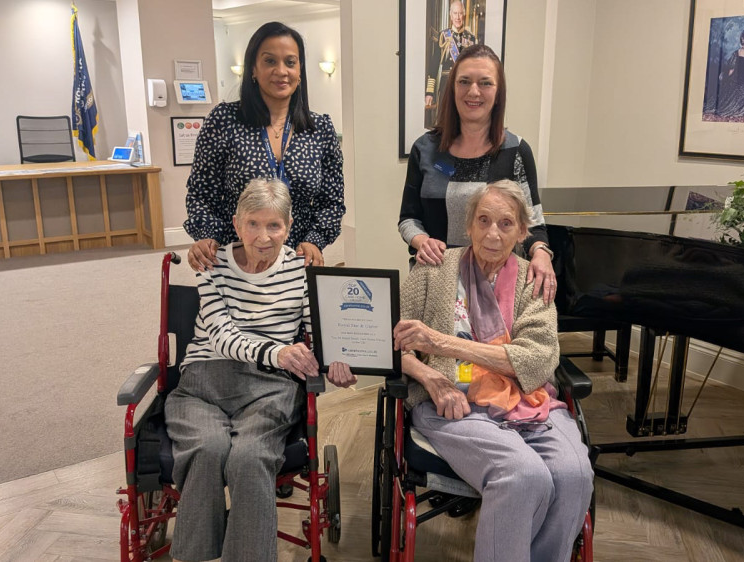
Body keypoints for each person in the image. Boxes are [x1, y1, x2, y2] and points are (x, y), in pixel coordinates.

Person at [393, 180, 594, 562]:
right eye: (483, 220)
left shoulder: (534, 281)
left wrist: (441, 343)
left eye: (505, 224)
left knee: (574, 476)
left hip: (529, 403)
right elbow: (392, 342)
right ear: (467, 226)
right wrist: (430, 376)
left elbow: (536, 360)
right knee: (523, 474)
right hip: (453, 404)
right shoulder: (433, 269)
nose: (492, 233)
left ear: (522, 232)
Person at [166, 178, 356, 562]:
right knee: (206, 448)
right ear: (236, 224)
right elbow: (221, 335)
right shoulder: (212, 264)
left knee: (250, 457)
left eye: (275, 225)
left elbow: (316, 329)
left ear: (289, 227)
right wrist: (279, 353)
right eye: (253, 223)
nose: (264, 236)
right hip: (204, 379)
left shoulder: (300, 269)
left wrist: (337, 356)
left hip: (269, 389)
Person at [401, 44, 559, 304]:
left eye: (485, 83)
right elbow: (408, 219)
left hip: (499, 288)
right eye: (464, 81)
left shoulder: (516, 150)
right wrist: (422, 241)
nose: (473, 91)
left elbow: (533, 222)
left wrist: (541, 252)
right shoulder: (425, 149)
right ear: (452, 89)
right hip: (438, 282)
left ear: (498, 93)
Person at [184, 21, 344, 272]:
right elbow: (202, 193)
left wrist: (315, 240)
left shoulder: (320, 129)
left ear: (300, 71)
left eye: (290, 62)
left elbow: (332, 201)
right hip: (237, 260)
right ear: (253, 70)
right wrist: (207, 236)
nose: (281, 71)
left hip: (297, 261)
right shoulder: (224, 120)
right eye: (270, 61)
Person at [425, 0, 478, 128]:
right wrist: (430, 92)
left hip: (465, 85)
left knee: (462, 122)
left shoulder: (471, 38)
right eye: (455, 13)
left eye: (460, 13)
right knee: (444, 122)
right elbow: (434, 65)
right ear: (450, 15)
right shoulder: (443, 36)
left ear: (464, 14)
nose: (458, 17)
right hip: (446, 84)